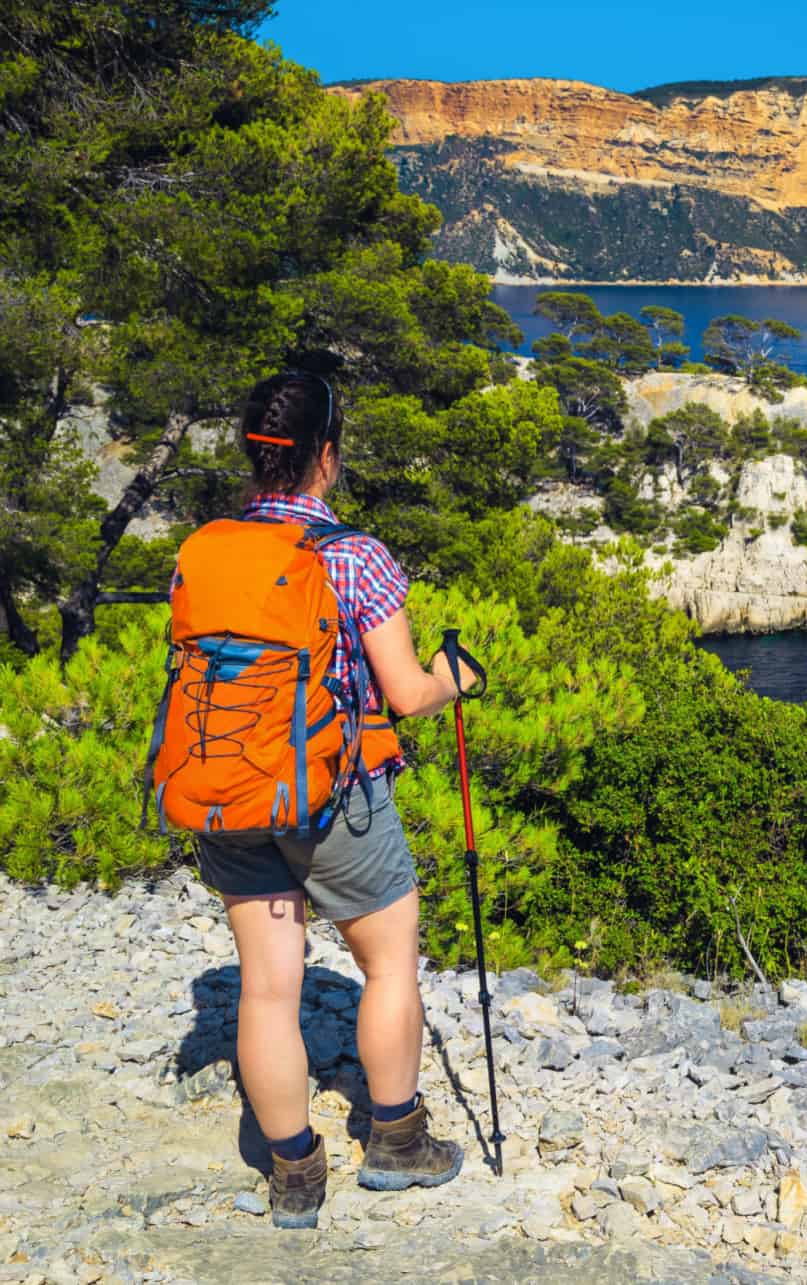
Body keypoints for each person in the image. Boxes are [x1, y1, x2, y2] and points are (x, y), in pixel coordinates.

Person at [183, 370, 476, 1229]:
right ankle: (396, 1143)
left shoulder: (203, 549)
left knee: (267, 988)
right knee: (388, 963)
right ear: (328, 456)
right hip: (332, 798)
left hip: (230, 788)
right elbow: (407, 692)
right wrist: (458, 677)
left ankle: (295, 1176)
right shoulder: (353, 555)